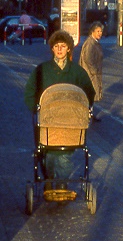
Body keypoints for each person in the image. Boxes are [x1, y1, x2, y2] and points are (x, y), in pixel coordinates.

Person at [24, 31, 96, 184]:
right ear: (52, 48)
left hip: (69, 122)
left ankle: (61, 186)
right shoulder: (42, 70)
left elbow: (89, 92)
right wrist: (36, 109)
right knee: (47, 156)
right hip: (47, 121)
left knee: (63, 156)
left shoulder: (77, 72)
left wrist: (83, 110)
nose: (59, 49)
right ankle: (49, 182)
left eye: (63, 46)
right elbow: (30, 92)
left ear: (69, 48)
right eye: (56, 46)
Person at [78, 21, 105, 120]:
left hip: (93, 73)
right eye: (98, 31)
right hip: (90, 74)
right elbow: (88, 59)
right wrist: (94, 71)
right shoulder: (90, 43)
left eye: (101, 31)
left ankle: (90, 113)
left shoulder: (94, 42)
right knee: (90, 93)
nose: (100, 33)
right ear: (92, 32)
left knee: (91, 94)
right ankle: (87, 114)